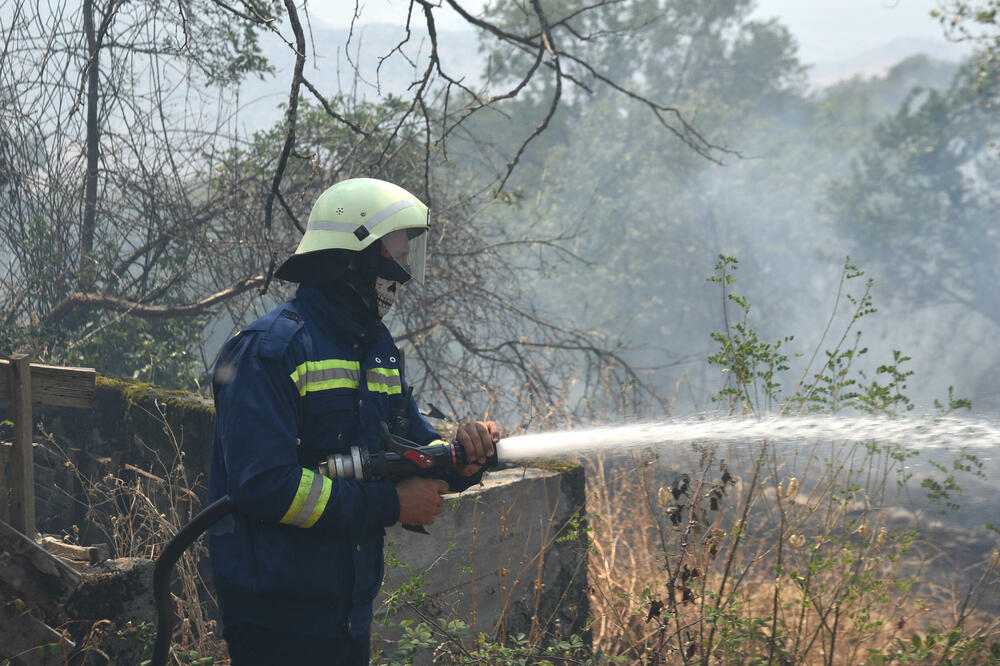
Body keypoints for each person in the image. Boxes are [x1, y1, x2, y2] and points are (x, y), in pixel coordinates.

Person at [207, 178, 499, 665]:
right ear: (353, 260)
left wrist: (464, 457)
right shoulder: (270, 351)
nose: (403, 275)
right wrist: (391, 503)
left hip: (347, 612)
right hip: (277, 617)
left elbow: (410, 447)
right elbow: (265, 486)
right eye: (395, 258)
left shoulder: (376, 349)